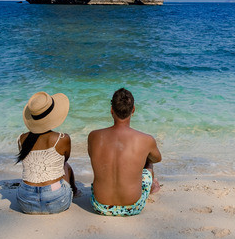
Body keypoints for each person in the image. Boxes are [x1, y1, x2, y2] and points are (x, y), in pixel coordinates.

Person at [87, 88, 162, 216]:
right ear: (133, 110)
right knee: (148, 162)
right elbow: (157, 159)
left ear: (112, 110)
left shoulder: (94, 136)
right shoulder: (146, 139)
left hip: (100, 206)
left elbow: (92, 155)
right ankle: (152, 186)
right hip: (133, 207)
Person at [15, 91, 77, 214]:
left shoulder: (22, 139)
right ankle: (74, 191)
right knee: (65, 166)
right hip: (56, 201)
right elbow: (65, 159)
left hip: (26, 202)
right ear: (53, 115)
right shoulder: (62, 138)